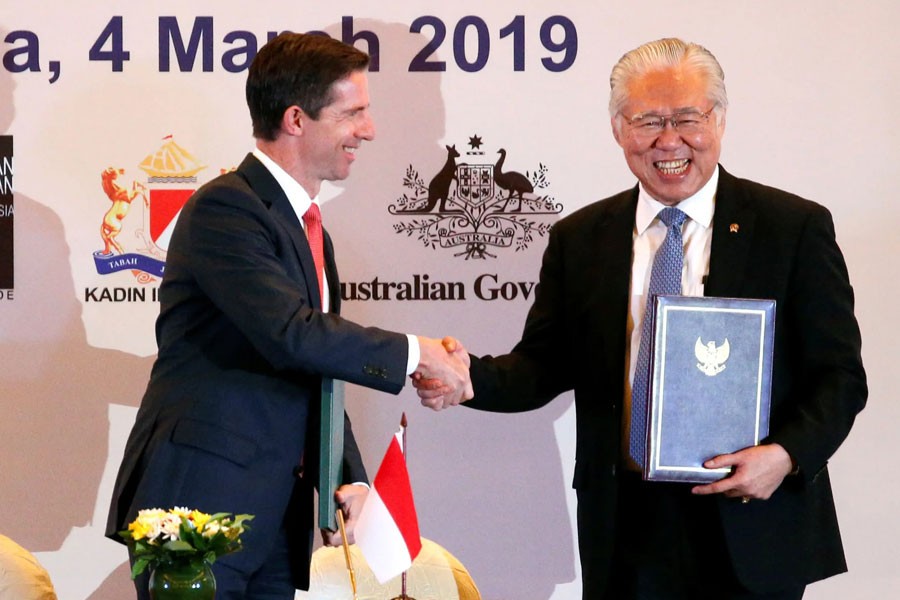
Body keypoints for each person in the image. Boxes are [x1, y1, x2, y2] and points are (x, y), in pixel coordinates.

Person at [417, 38, 866, 599]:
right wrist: (470, 379)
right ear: (617, 129)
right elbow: (542, 365)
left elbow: (840, 378)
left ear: (719, 120)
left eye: (687, 118)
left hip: (752, 516)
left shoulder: (792, 229)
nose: (668, 140)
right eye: (647, 120)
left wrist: (785, 456)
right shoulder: (581, 239)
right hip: (627, 525)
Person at [105, 32, 471, 600]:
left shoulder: (309, 231)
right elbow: (291, 336)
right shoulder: (226, 208)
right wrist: (416, 353)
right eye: (353, 113)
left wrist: (345, 476)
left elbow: (316, 368)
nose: (368, 130)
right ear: (297, 119)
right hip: (200, 510)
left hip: (276, 519)